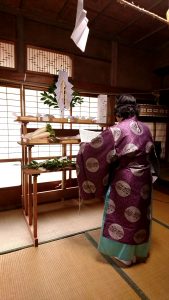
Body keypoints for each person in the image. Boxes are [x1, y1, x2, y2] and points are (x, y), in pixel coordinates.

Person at [76, 94, 159, 267]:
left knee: (122, 215)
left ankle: (124, 256)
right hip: (143, 178)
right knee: (138, 216)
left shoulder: (116, 129)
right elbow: (152, 155)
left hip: (126, 178)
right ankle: (135, 252)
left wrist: (83, 147)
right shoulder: (146, 128)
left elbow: (94, 150)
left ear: (118, 112)